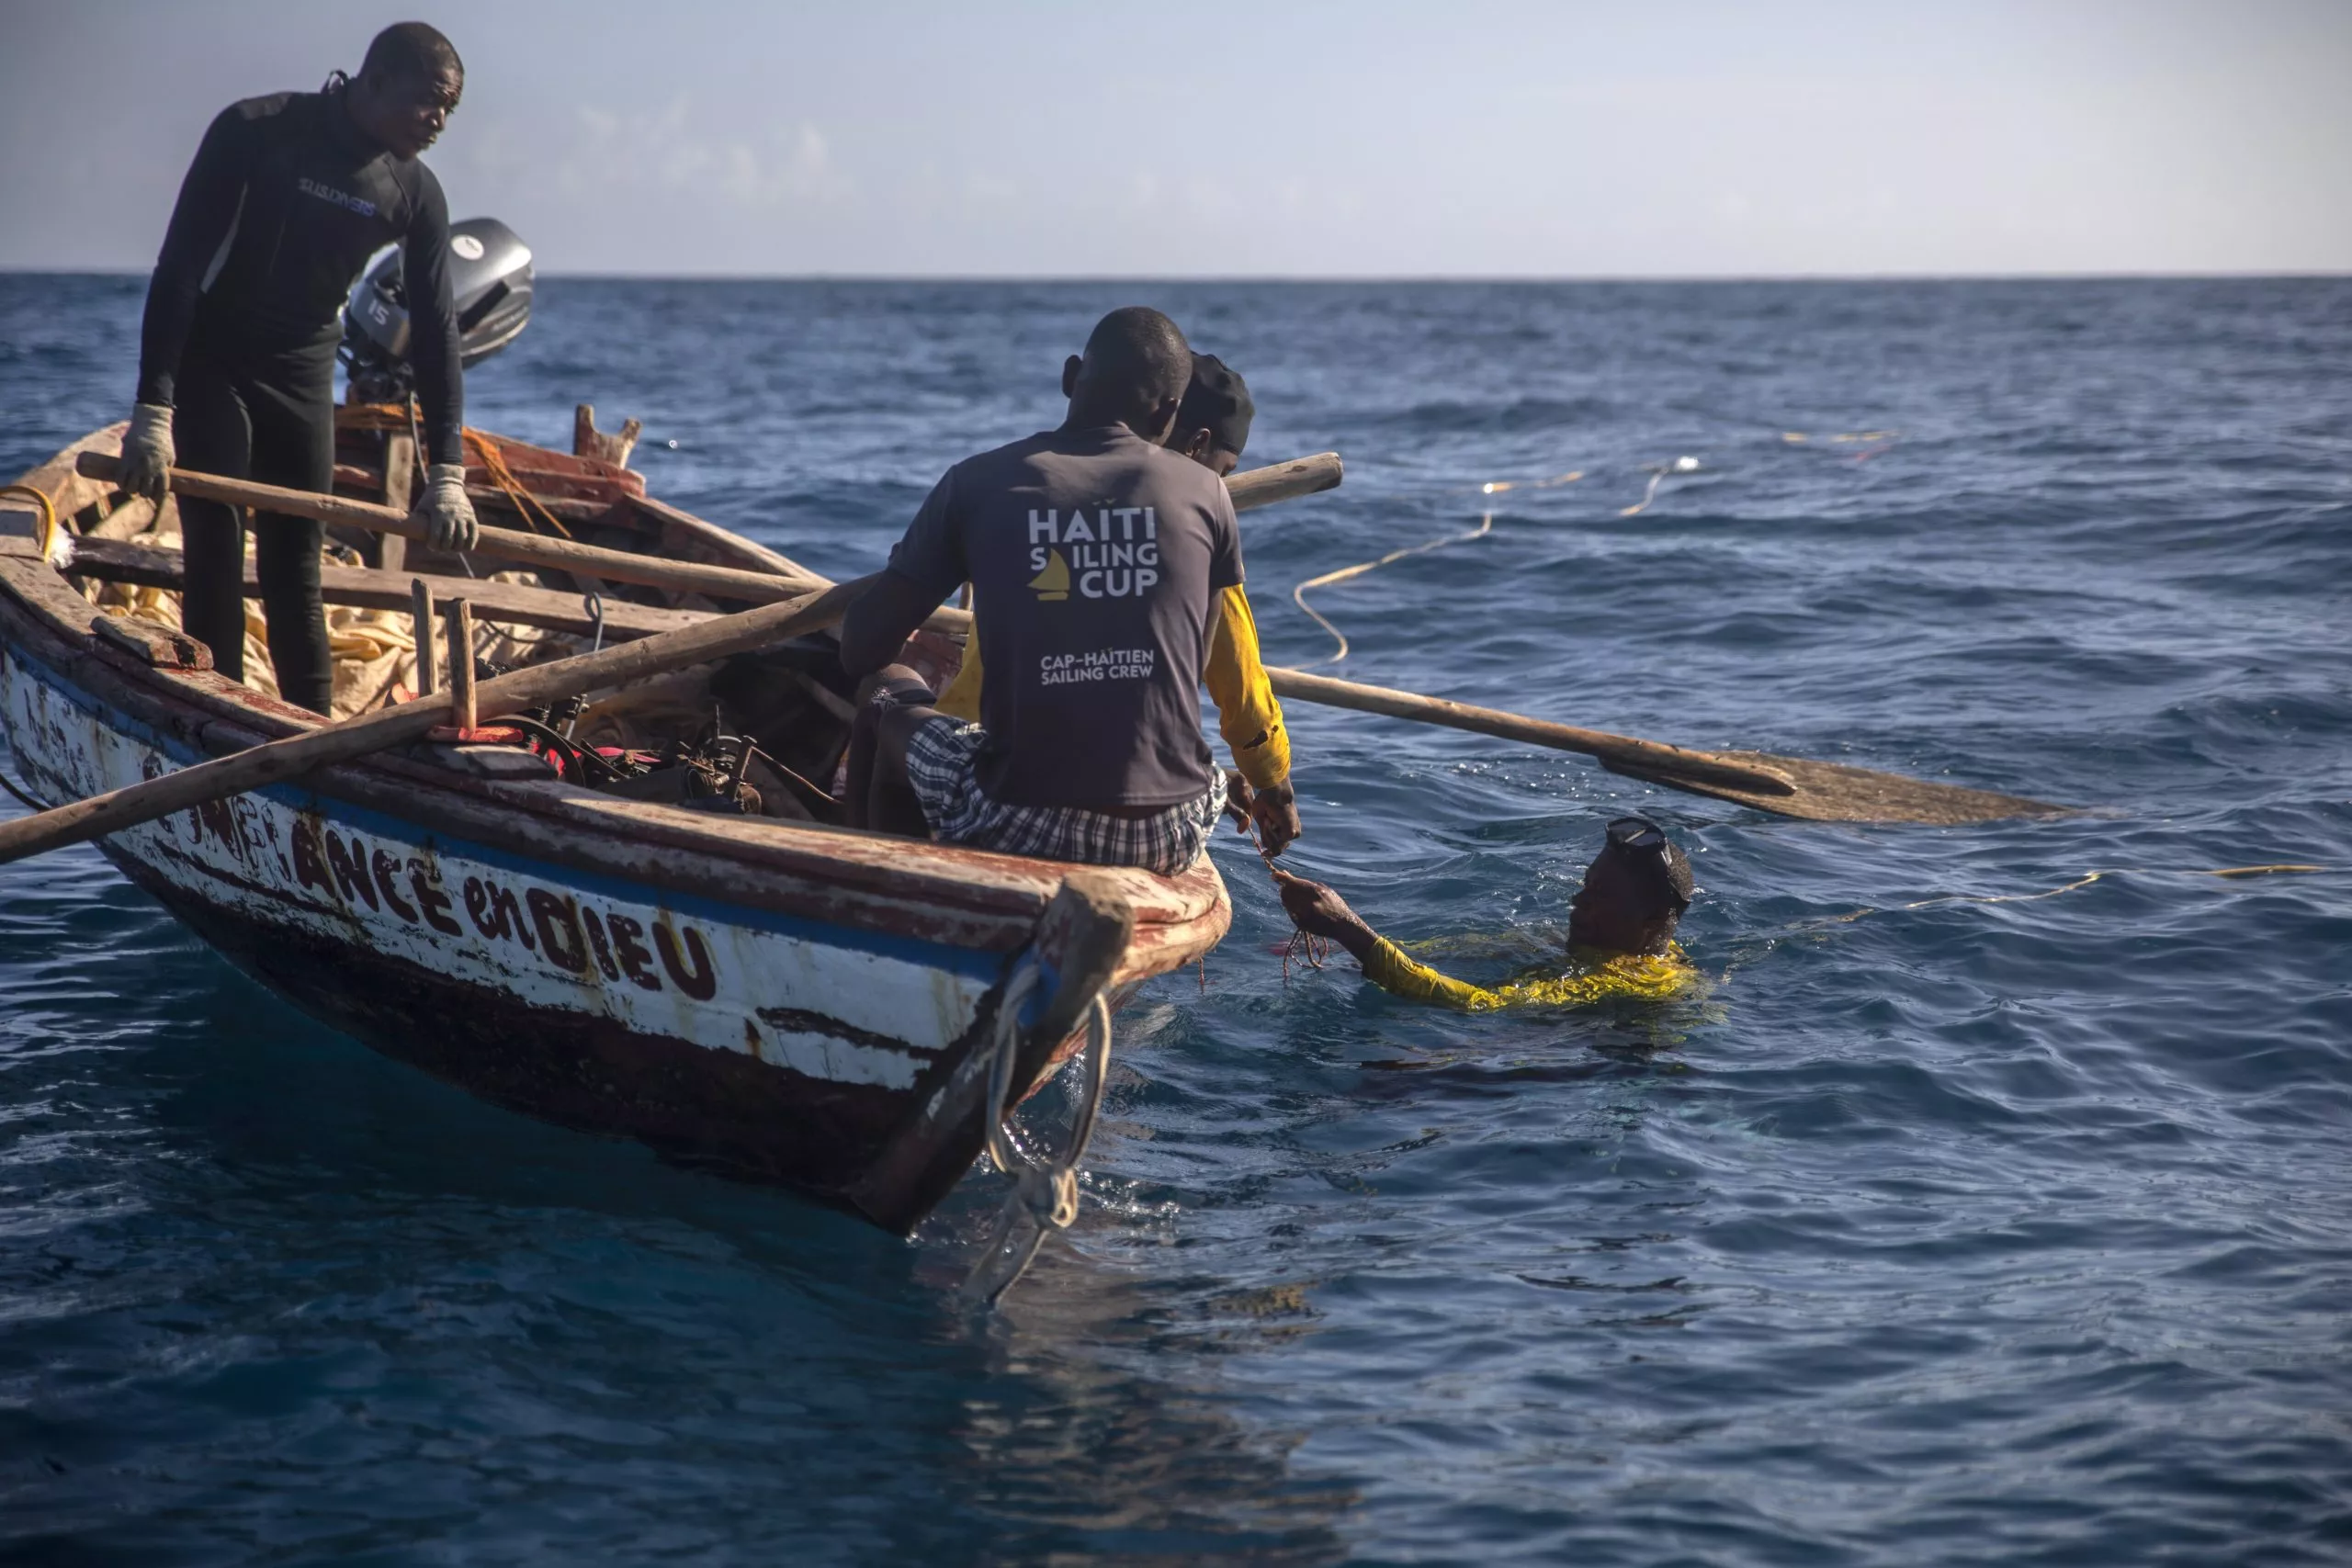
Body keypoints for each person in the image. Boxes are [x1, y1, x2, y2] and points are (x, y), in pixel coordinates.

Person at [838, 308, 1298, 876]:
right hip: (1174, 826)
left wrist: (919, 567)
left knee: (885, 697)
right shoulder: (1209, 495)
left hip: (1016, 816)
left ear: (1070, 377)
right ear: (1171, 412)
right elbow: (1190, 666)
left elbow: (859, 650)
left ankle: (896, 902)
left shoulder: (977, 483)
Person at [119, 22, 479, 715]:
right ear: (374, 81)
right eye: (429, 102)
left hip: (304, 373)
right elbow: (180, 271)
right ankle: (213, 718)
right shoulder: (256, 132)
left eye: (450, 110)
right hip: (214, 361)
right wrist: (153, 412)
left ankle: (315, 735)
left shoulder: (416, 191)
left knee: (296, 570)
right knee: (217, 553)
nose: (438, 122)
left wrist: (450, 475)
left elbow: (436, 334)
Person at [930, 351, 1258, 723]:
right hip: (1125, 760)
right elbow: (1244, 698)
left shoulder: (1018, 494)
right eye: (1225, 472)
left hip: (985, 734)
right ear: (1196, 443)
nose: (1222, 484)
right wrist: (1272, 773)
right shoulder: (1194, 533)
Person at [1270, 817, 1699, 1010]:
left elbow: (1482, 1005)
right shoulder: (1597, 945)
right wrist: (1347, 953)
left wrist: (1350, 931)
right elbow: (1475, 951)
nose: (1579, 902)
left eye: (1601, 896)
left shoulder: (1629, 980)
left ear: (1652, 923)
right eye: (1586, 886)